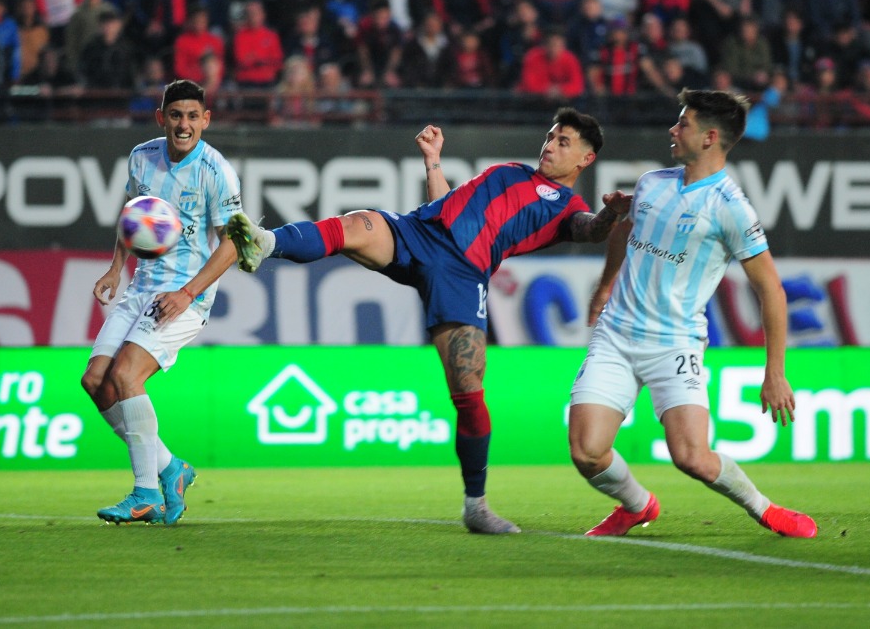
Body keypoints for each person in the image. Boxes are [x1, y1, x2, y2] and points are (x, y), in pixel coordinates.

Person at [226, 109, 629, 534]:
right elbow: (444, 203)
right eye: (550, 136)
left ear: (586, 159)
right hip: (420, 230)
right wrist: (433, 158)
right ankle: (264, 242)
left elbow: (591, 229)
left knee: (468, 390)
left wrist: (610, 215)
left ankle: (477, 506)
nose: (549, 145)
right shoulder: (511, 170)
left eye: (563, 142)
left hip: (462, 271)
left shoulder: (568, 207)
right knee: (354, 224)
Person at [567, 89, 817, 539]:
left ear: (710, 138)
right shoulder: (651, 182)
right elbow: (626, 230)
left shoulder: (731, 209)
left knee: (693, 458)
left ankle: (764, 509)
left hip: (674, 344)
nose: (672, 129)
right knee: (586, 451)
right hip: (617, 334)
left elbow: (772, 290)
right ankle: (637, 505)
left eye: (682, 123)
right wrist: (607, 283)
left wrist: (775, 372)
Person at [81, 79, 244, 525]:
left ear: (206, 120)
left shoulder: (216, 172)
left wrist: (188, 292)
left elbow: (234, 245)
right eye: (176, 116)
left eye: (193, 116)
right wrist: (116, 267)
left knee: (126, 375)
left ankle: (145, 493)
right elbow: (133, 217)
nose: (184, 124)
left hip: (184, 297)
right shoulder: (142, 157)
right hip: (141, 289)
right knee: (96, 381)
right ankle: (171, 468)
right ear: (161, 118)